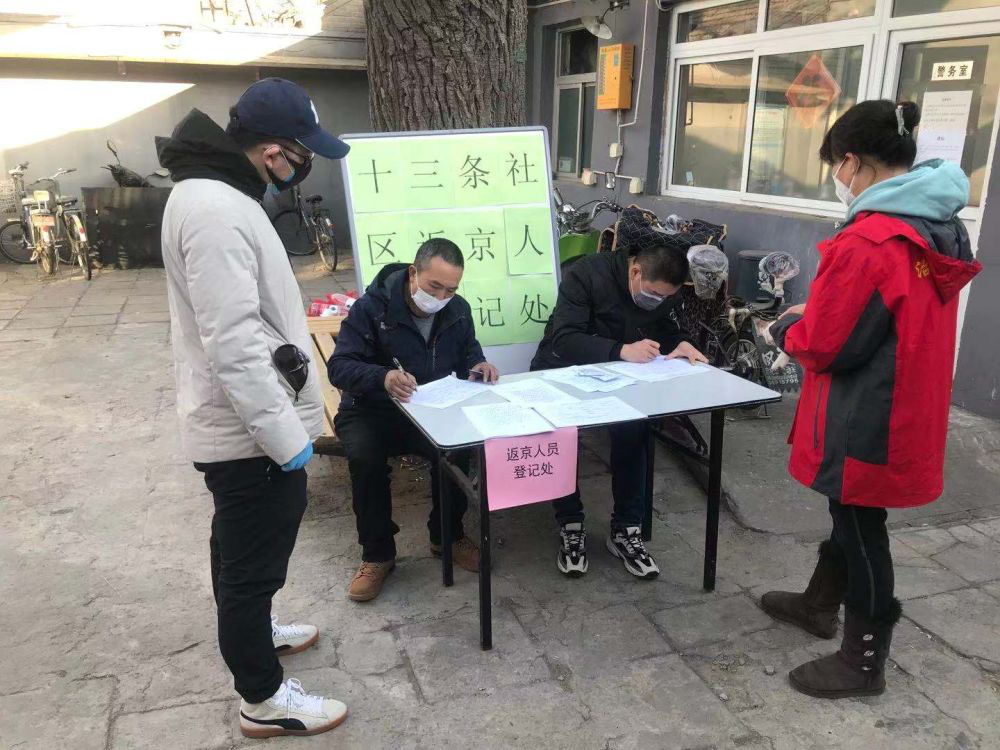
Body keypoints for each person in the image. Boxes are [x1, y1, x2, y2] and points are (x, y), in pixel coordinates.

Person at [760, 100, 981, 699]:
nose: (838, 177)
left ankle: (863, 661)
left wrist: (783, 327)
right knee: (852, 514)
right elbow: (878, 315)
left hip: (866, 411)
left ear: (853, 162)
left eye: (837, 164)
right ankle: (817, 603)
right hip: (903, 399)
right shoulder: (936, 224)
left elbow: (826, 343)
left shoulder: (871, 239)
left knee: (860, 527)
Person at [158, 78, 350, 739]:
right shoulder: (215, 210)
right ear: (273, 152)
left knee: (242, 551)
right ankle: (263, 699)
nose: (303, 166)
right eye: (303, 154)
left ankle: (259, 632)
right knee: (250, 563)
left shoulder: (218, 195)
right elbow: (234, 345)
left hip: (246, 423)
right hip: (248, 433)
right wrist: (285, 439)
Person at [329, 238, 499, 602]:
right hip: (372, 409)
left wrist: (479, 364)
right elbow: (339, 366)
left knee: (457, 447)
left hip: (428, 407)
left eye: (450, 290)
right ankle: (377, 555)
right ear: (412, 273)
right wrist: (382, 377)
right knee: (365, 459)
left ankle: (447, 536)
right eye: (434, 286)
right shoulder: (372, 308)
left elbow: (469, 351)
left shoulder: (458, 309)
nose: (440, 297)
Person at [530, 244, 707, 579]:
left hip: (620, 376)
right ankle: (570, 523)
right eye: (654, 294)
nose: (658, 301)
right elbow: (564, 338)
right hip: (562, 369)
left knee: (635, 434)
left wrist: (681, 342)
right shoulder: (586, 274)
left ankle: (626, 529)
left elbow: (666, 326)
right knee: (562, 439)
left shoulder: (665, 291)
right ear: (635, 271)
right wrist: (621, 350)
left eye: (665, 297)